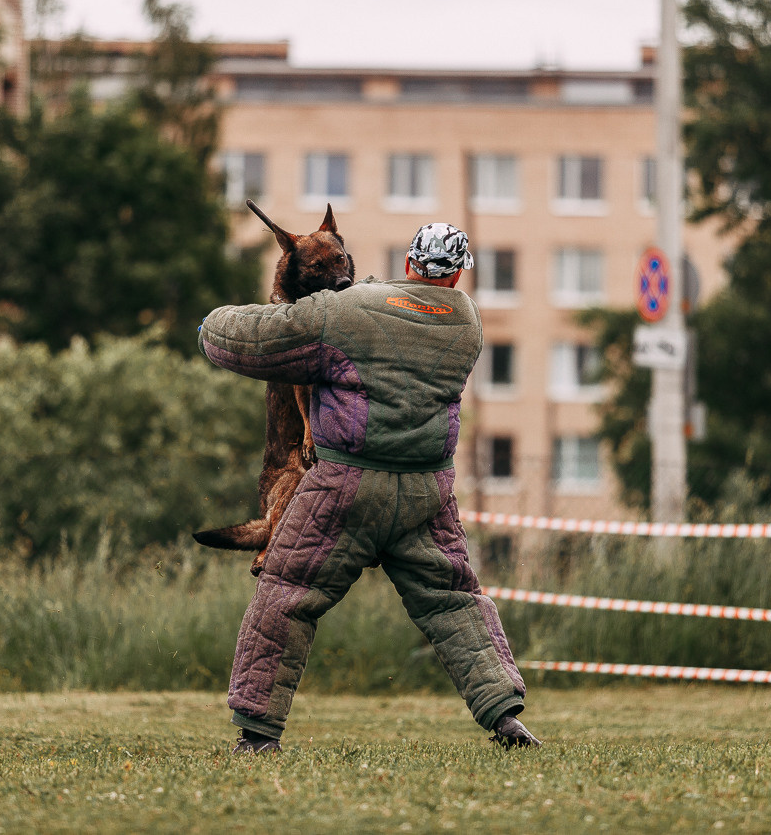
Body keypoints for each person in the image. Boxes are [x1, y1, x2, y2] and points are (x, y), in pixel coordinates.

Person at [198, 221, 541, 753]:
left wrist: (211, 326)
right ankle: (506, 718)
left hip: (342, 487)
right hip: (426, 494)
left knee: (286, 595)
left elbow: (257, 338)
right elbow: (404, 314)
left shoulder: (348, 312)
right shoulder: (466, 322)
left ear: (409, 263)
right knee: (453, 599)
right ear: (457, 276)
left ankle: (258, 733)